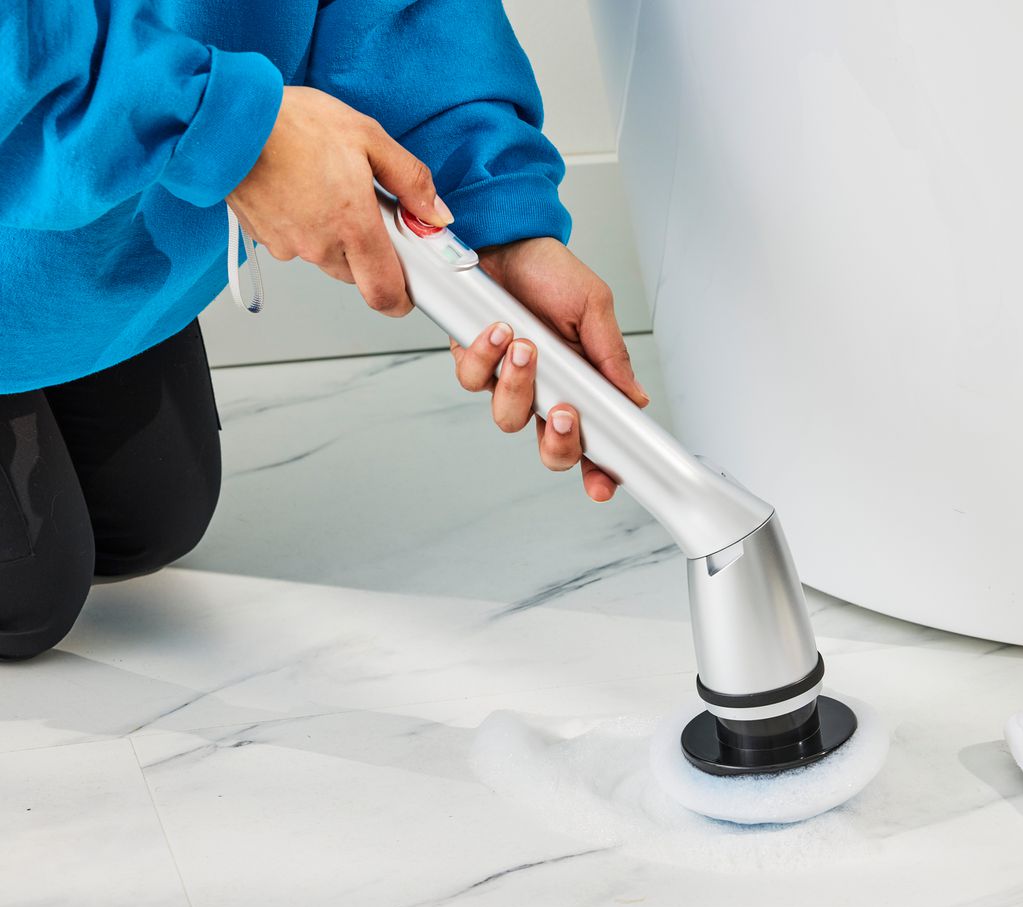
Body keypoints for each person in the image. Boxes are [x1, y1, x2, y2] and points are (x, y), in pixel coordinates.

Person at [0, 2, 646, 660]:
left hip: (111, 230)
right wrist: (217, 123)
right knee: (30, 598)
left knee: (149, 525)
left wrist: (494, 210)